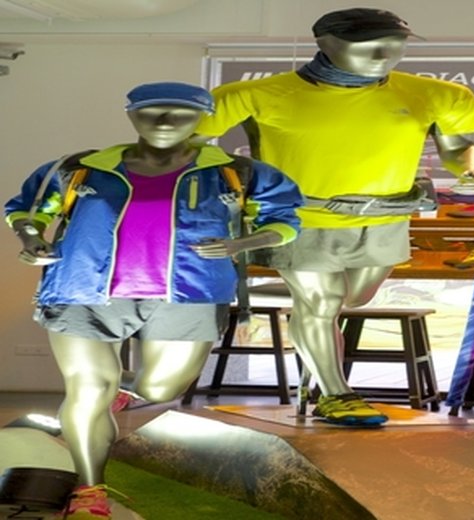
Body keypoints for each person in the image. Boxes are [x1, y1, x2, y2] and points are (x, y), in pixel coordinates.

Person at [4, 81, 302, 519]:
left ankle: (124, 387)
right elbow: (27, 209)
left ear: (202, 118)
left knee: (162, 389)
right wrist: (31, 237)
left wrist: (242, 244)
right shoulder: (80, 168)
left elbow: (285, 221)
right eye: (150, 111)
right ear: (131, 114)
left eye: (181, 112)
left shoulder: (238, 173)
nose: (164, 121)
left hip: (190, 293)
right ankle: (89, 490)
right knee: (89, 389)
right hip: (82, 290)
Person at [196, 8, 474, 426]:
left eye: (395, 45)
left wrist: (468, 171)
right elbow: (187, 146)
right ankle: (337, 394)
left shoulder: (438, 95)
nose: (384, 55)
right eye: (369, 46)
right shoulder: (253, 95)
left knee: (353, 298)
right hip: (301, 219)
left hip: (386, 219)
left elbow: (458, 146)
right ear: (326, 43)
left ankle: (316, 366)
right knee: (322, 301)